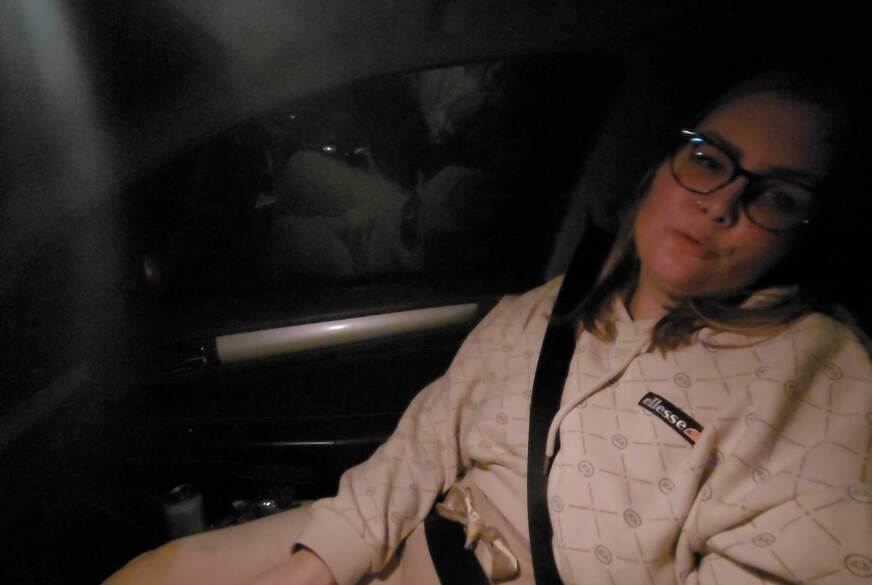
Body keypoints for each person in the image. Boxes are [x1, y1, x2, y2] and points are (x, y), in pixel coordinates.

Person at [104, 71, 872, 585]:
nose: (723, 203)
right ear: (660, 165)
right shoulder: (557, 302)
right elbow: (429, 435)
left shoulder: (820, 376)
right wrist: (319, 563)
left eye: (778, 197)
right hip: (416, 532)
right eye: (709, 159)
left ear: (807, 234)